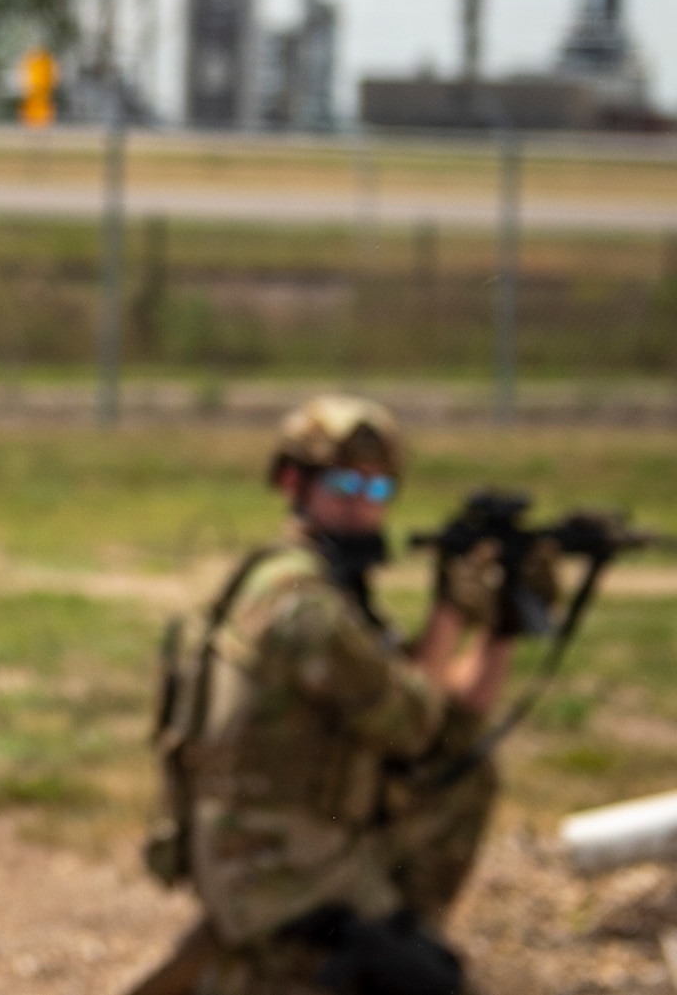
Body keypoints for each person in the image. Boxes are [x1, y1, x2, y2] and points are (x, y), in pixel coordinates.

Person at [130, 396, 550, 995]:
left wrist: (502, 627)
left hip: (288, 851)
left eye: (378, 492)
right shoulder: (305, 608)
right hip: (278, 873)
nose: (362, 506)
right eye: (346, 485)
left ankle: (390, 930)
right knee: (428, 981)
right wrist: (452, 610)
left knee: (466, 771)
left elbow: (451, 723)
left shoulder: (316, 588)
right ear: (294, 484)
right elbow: (411, 725)